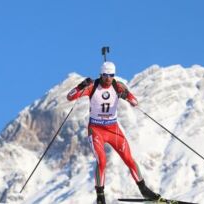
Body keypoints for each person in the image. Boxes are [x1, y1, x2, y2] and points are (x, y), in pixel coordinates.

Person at [67, 61, 161, 204]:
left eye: (111, 75)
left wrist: (126, 96)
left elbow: (135, 102)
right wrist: (80, 86)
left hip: (113, 129)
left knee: (129, 159)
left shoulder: (118, 86)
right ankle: (100, 197)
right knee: (102, 161)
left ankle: (144, 190)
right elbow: (70, 97)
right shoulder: (92, 86)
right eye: (106, 75)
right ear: (101, 74)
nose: (108, 79)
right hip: (96, 130)